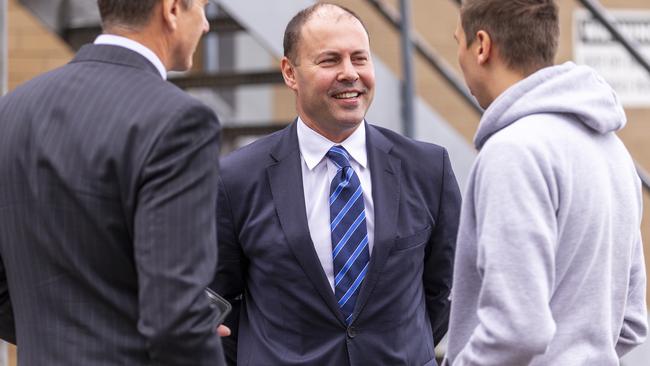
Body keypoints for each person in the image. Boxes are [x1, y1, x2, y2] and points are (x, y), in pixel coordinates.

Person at [210, 3, 461, 365]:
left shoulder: (427, 169)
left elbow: (442, 293)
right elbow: (220, 309)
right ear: (290, 73)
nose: (350, 74)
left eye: (360, 59)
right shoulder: (237, 179)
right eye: (330, 61)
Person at [0, 0, 227, 364]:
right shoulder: (180, 121)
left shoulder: (12, 111)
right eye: (201, 7)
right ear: (170, 9)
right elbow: (176, 316)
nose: (206, 25)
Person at [444, 0, 648, 364]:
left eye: (457, 42)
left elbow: (517, 329)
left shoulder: (513, 151)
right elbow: (631, 322)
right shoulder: (613, 151)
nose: (458, 57)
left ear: (481, 45)